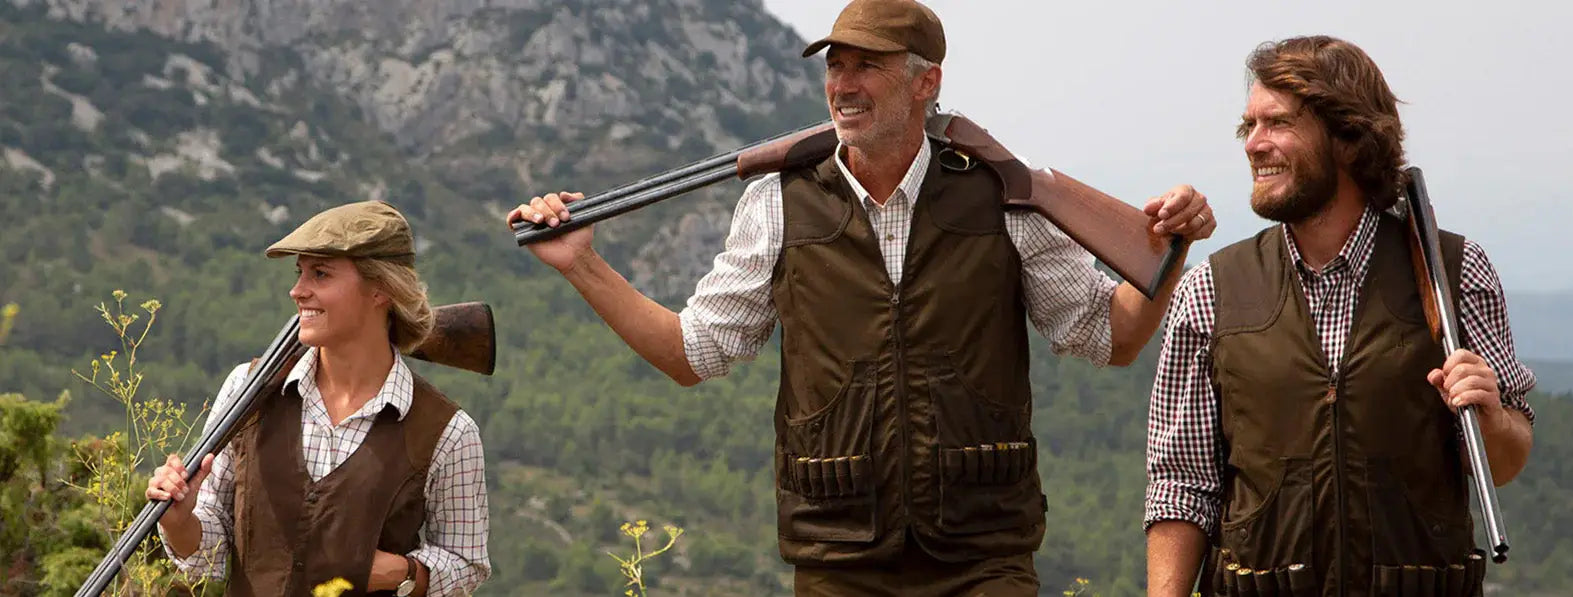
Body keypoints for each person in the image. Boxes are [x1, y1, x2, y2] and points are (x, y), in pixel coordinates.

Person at [508, 0, 1214, 593]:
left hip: (984, 559)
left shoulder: (1007, 197)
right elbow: (691, 353)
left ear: (924, 83)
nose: (843, 83)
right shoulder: (776, 204)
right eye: (834, 66)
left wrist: (1168, 253)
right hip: (836, 560)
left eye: (865, 65)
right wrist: (582, 266)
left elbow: (1112, 337)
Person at [1142, 35, 1536, 597]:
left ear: (1349, 138)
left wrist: (1492, 417)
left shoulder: (1455, 271)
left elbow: (1502, 462)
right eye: (1247, 127)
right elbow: (1181, 484)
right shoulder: (1210, 289)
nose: (1254, 144)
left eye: (1277, 123)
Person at [146, 200, 492, 596]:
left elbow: (466, 565)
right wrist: (179, 520)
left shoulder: (449, 432)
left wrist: (400, 572)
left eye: (320, 274)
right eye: (300, 273)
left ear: (381, 290)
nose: (297, 291)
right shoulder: (249, 389)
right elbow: (212, 554)